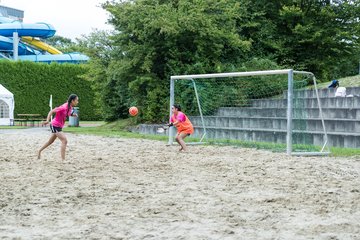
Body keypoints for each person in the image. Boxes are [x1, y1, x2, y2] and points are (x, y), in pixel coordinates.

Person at [38, 94, 79, 160]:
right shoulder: (64, 107)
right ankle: (63, 160)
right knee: (64, 141)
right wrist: (47, 120)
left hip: (59, 126)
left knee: (50, 142)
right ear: (72, 100)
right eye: (77, 100)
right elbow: (51, 111)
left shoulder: (70, 107)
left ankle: (39, 151)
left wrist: (73, 114)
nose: (77, 102)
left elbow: (67, 113)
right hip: (55, 125)